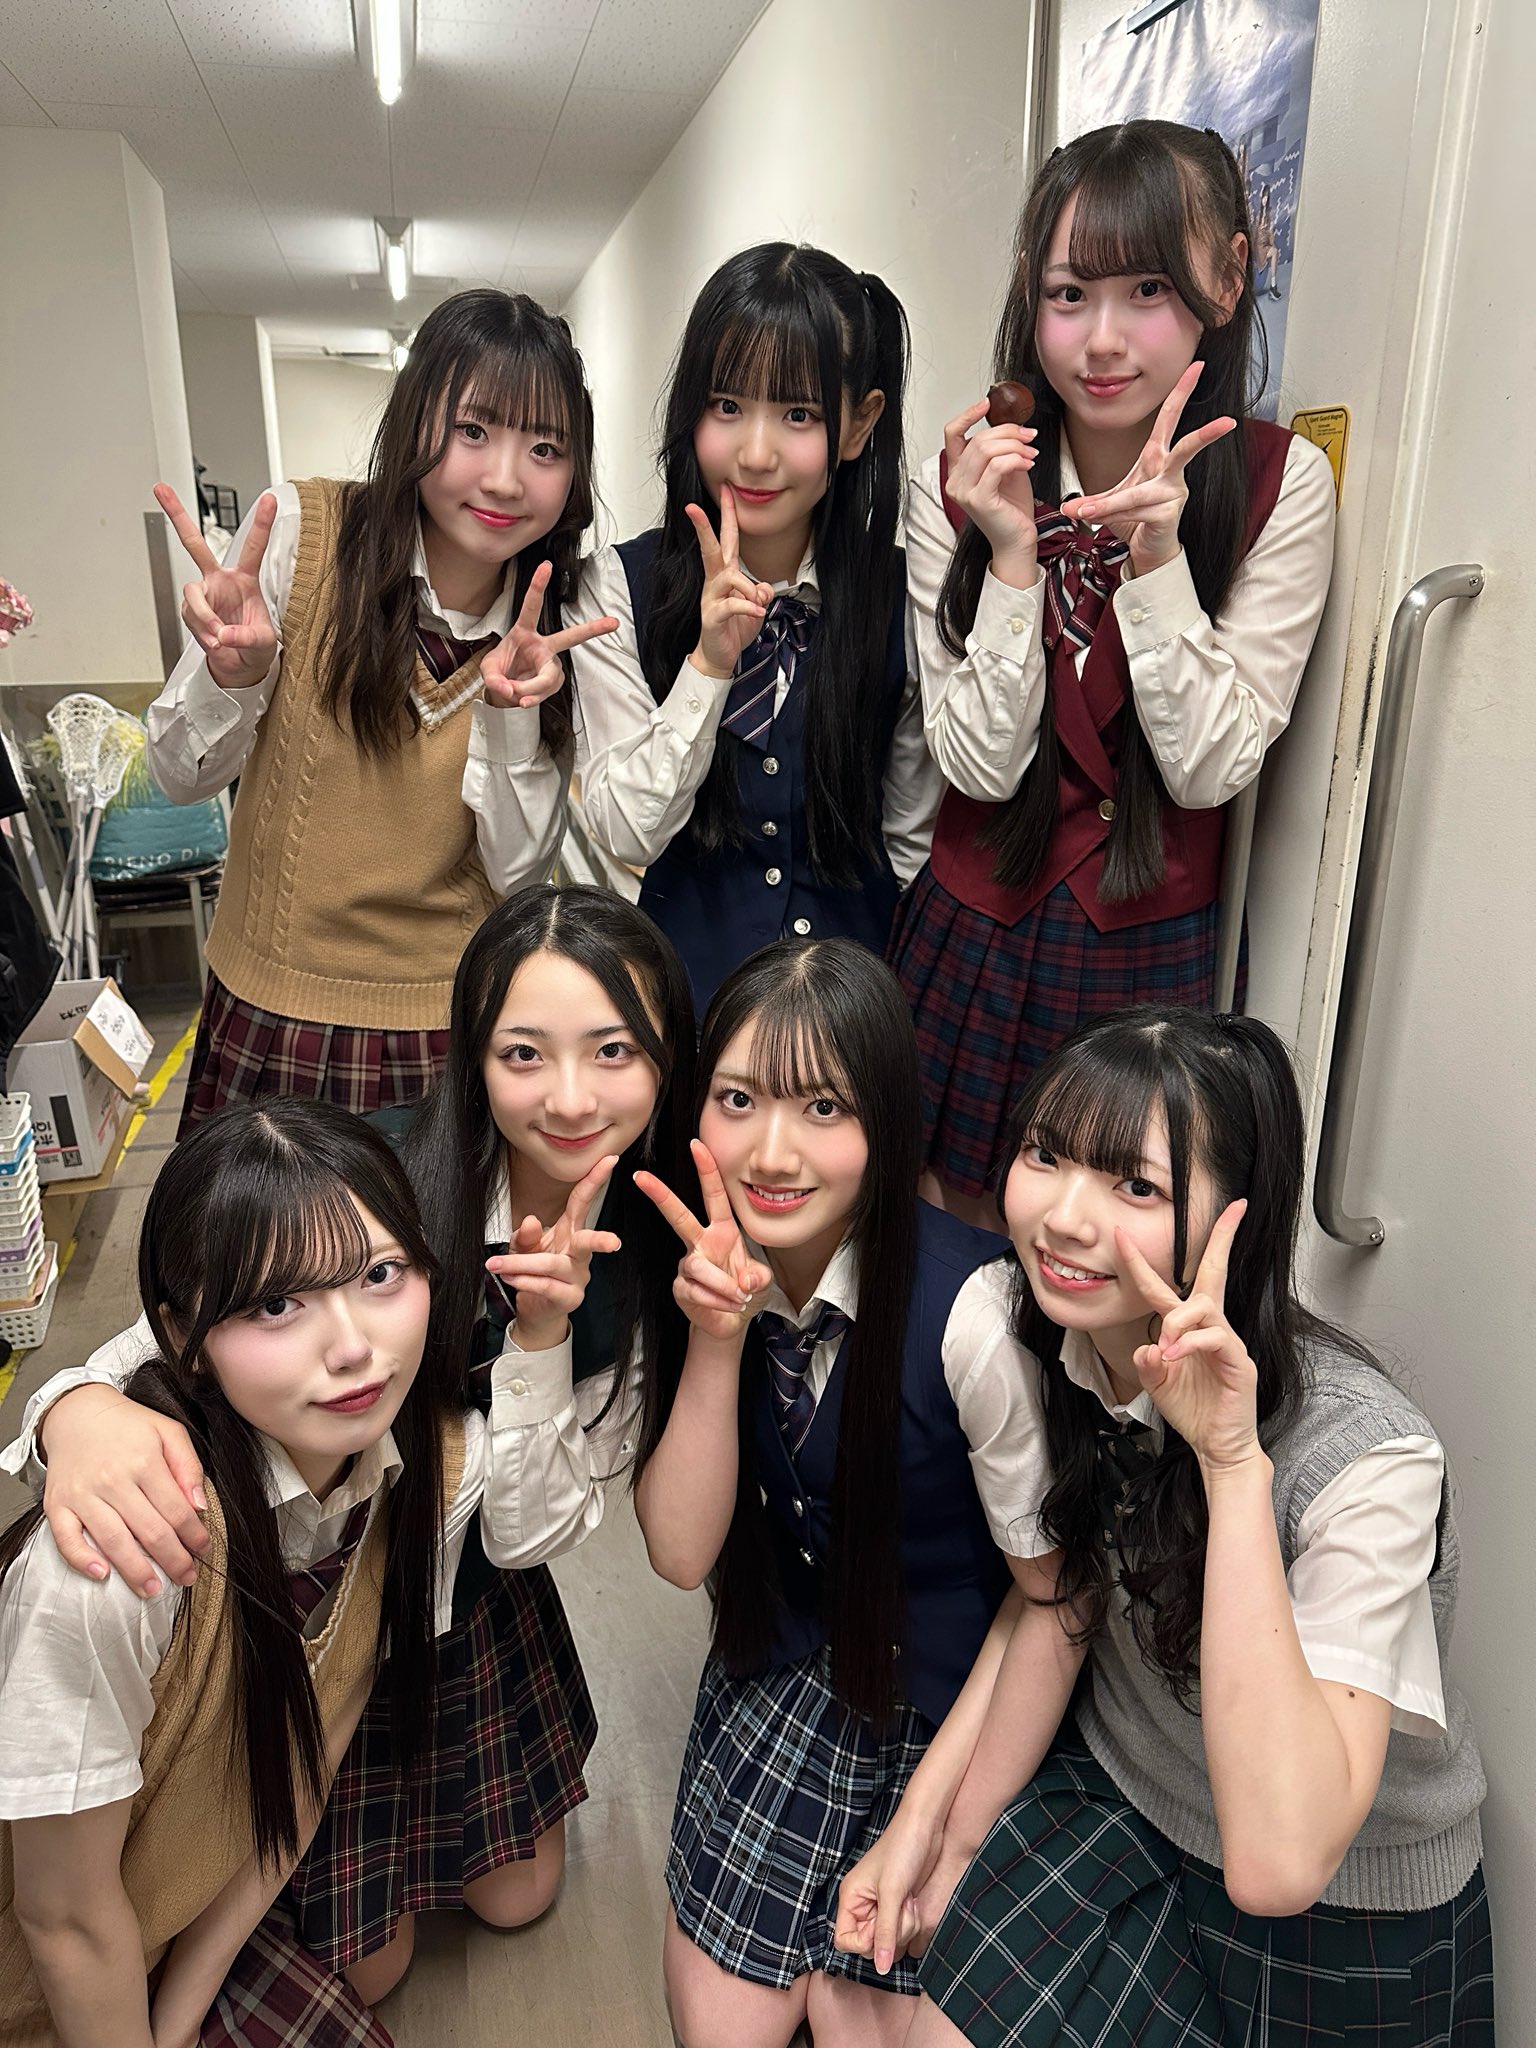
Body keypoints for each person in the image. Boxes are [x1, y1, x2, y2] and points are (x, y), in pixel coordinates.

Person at [14, 885, 697, 2005]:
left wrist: (542, 1338)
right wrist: (70, 1411)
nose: (571, 1097)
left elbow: (522, 1535)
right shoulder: (373, 1174)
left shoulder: (662, 1246)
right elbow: (167, 1335)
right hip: (317, 1586)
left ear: (668, 1056)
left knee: (519, 1895)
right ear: (472, 1054)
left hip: (468, 1585)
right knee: (369, 1965)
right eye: (524, 1052)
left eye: (614, 1050)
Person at [835, 1007, 1494, 2047]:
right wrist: (929, 1833)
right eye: (1045, 1154)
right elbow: (1055, 1592)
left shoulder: (1367, 1461)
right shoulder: (1036, 1328)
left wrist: (1230, 1463)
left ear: (1236, 1221)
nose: (1064, 1217)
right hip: (1121, 1786)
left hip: (1341, 1895)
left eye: (1134, 1186)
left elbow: (1280, 1862)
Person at [0, 1099, 546, 2045]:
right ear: (182, 1335)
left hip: (166, 1937)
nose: (353, 1347)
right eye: (275, 1305)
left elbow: (300, 1777)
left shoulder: (420, 1472)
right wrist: (70, 1404)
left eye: (380, 1274)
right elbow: (63, 1921)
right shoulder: (118, 1563)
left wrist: (180, 2019)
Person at [891, 120, 1336, 1223]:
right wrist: (1008, 556)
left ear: (1227, 276)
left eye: (1147, 289)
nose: (1100, 339)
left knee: (1114, 1257)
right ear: (1028, 294)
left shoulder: (1284, 482)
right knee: (939, 1240)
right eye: (1068, 293)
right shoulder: (955, 481)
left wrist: (1159, 564)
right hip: (972, 936)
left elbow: (1210, 770)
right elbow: (976, 769)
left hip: (1149, 955)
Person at [633, 938, 1073, 2047]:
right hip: (792, 1664)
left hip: (951, 1698)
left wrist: (937, 1820)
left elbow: (1054, 1593)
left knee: (859, 2020)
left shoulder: (974, 1314)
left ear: (887, 1123)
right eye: (738, 1099)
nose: (772, 1151)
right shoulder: (694, 1262)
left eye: (823, 1106)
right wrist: (715, 1339)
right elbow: (681, 1555)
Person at [150, 288, 618, 1132]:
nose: (505, 479)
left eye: (545, 447)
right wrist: (236, 676)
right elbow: (179, 777)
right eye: (472, 431)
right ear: (414, 421)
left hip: (451, 1022)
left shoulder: (561, 614)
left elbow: (517, 876)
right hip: (273, 1009)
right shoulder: (304, 534)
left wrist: (510, 716)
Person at [571, 242, 941, 1010]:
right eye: (727, 406)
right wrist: (707, 666)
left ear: (858, 425)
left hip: (851, 1011)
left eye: (799, 414)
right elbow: (627, 830)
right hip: (687, 1004)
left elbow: (909, 836)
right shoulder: (616, 587)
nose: (757, 453)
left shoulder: (907, 592)